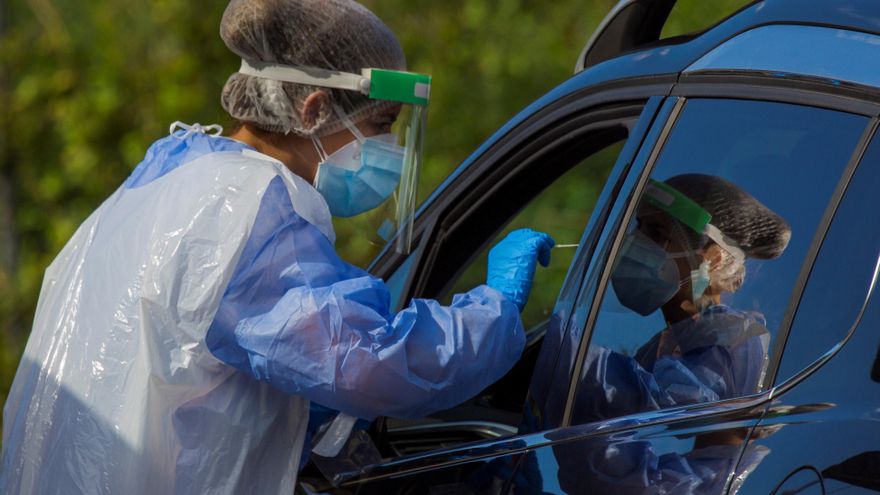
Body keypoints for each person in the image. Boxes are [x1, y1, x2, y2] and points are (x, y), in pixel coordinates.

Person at [0, 1, 555, 493]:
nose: (390, 148)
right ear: (312, 110)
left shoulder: (168, 177)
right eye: (382, 124)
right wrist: (496, 309)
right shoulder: (246, 210)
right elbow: (370, 365)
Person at [572, 173, 792, 423]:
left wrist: (568, 354)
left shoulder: (728, 341)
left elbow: (657, 421)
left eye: (656, 233)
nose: (636, 243)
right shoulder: (668, 341)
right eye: (639, 228)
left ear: (714, 258)